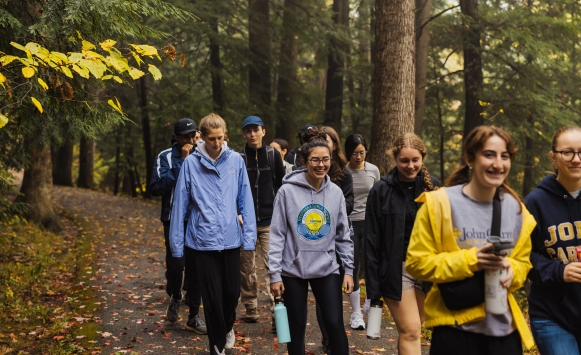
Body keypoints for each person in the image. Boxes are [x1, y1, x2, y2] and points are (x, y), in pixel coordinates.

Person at [405, 126, 535, 354]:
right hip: (455, 330)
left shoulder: (517, 211)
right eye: (489, 154)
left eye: (504, 156)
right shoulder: (438, 204)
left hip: (503, 334)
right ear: (469, 158)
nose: (498, 163)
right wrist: (472, 259)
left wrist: (512, 271)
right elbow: (417, 263)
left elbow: (523, 264)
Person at [169, 113, 257, 355]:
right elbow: (180, 207)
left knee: (232, 293)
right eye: (211, 139)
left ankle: (227, 327)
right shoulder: (191, 164)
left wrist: (249, 238)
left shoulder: (236, 161)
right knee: (212, 298)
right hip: (202, 242)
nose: (216, 143)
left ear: (224, 135)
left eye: (220, 138)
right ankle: (216, 347)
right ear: (202, 137)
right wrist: (176, 247)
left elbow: (245, 200)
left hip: (231, 239)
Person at [269, 128, 354, 355]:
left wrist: (348, 270)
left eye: (325, 159)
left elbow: (343, 235)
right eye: (315, 160)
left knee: (335, 324)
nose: (320, 165)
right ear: (305, 161)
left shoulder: (335, 192)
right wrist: (275, 274)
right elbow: (277, 234)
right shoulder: (287, 192)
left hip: (327, 268)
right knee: (296, 328)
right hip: (293, 269)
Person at [365, 133, 440, 353]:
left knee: (417, 327)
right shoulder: (381, 190)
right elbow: (371, 240)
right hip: (396, 270)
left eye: (415, 160)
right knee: (411, 329)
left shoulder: (433, 187)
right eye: (404, 160)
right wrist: (373, 287)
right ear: (395, 159)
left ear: (422, 158)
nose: (410, 165)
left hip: (428, 269)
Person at [525, 126, 581, 355]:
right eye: (568, 152)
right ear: (554, 157)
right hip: (552, 315)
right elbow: (522, 256)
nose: (576, 159)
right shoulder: (535, 203)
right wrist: (559, 271)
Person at [149, 118, 206, 334]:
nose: (191, 140)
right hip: (173, 218)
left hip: (197, 219)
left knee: (196, 267)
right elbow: (156, 187)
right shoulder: (165, 157)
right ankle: (175, 294)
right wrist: (183, 161)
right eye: (186, 136)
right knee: (175, 265)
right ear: (176, 137)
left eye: (193, 135)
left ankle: (193, 315)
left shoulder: (203, 155)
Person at [239, 116, 285, 325]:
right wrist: (236, 212)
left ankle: (278, 309)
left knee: (273, 266)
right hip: (245, 222)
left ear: (263, 132)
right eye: (248, 131)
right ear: (244, 134)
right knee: (246, 267)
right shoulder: (238, 157)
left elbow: (281, 185)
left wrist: (279, 211)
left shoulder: (273, 155)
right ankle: (250, 307)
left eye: (255, 130)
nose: (252, 134)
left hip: (269, 221)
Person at [344, 134, 380, 327]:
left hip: (370, 223)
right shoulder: (343, 171)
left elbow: (378, 196)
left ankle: (369, 302)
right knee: (354, 266)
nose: (358, 156)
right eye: (354, 153)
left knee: (373, 264)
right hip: (350, 224)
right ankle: (356, 314)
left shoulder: (373, 170)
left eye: (362, 152)